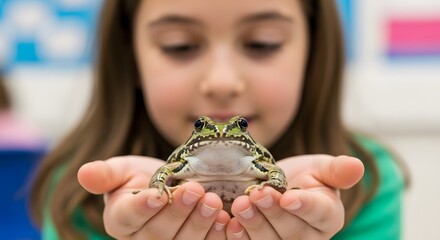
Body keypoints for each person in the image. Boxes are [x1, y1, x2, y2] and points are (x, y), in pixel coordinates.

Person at [30, 0, 405, 239]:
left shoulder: (365, 184)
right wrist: (158, 188)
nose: (222, 83)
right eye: (180, 45)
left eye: (263, 43)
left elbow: (273, 176)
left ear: (314, 53)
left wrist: (280, 190)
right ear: (129, 57)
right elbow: (166, 174)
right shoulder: (80, 195)